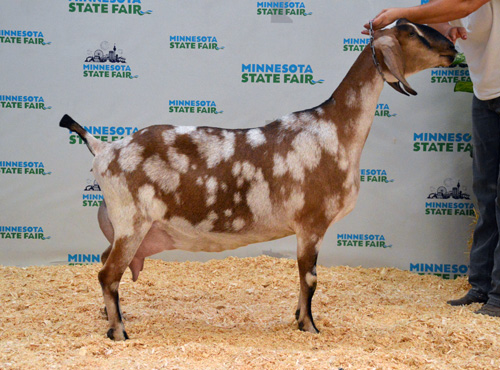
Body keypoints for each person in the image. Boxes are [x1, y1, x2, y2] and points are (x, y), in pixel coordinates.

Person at [364, 0, 500, 317]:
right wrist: (440, 28)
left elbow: (463, 4)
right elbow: (446, 13)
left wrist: (401, 13)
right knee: (486, 193)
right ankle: (481, 286)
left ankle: (498, 297)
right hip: (487, 95)